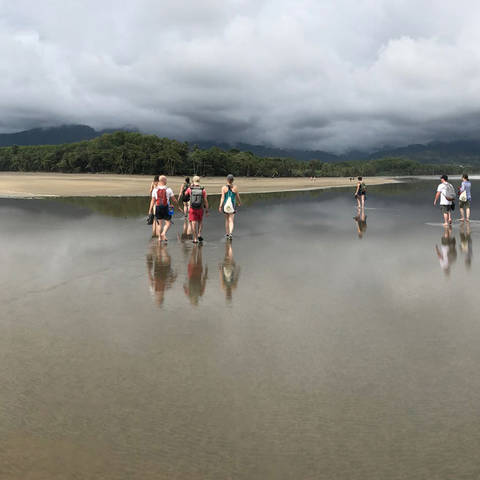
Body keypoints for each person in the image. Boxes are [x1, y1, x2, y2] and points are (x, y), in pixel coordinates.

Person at [146, 241, 177, 307]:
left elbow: (150, 279)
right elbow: (171, 281)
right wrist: (175, 276)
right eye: (159, 299)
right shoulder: (165, 288)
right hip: (164, 272)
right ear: (162, 297)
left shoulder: (153, 290)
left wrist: (148, 270)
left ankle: (160, 246)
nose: (159, 296)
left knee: (160, 258)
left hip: (158, 272)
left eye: (158, 299)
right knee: (165, 258)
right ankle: (161, 247)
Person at [151, 175, 180, 242]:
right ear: (163, 181)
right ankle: (163, 233)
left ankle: (159, 238)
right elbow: (174, 200)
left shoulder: (155, 190)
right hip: (166, 207)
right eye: (166, 180)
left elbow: (153, 201)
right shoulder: (168, 189)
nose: (167, 181)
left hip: (158, 207)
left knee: (159, 224)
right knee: (168, 223)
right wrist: (178, 205)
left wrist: (150, 210)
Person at [184, 176, 209, 243]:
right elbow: (206, 201)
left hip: (192, 208)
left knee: (193, 223)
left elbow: (185, 194)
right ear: (199, 181)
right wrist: (207, 210)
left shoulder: (190, 189)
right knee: (200, 221)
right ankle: (199, 234)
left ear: (193, 181)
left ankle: (195, 239)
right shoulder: (202, 189)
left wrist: (190, 187)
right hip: (200, 208)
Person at [219, 174, 242, 240]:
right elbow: (237, 197)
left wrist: (220, 206)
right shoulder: (235, 187)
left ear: (227, 180)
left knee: (226, 220)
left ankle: (227, 233)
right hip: (232, 205)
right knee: (231, 220)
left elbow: (222, 198)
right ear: (233, 180)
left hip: (226, 205)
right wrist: (239, 202)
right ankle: (231, 233)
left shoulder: (223, 188)